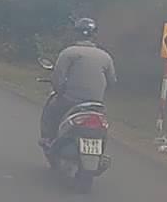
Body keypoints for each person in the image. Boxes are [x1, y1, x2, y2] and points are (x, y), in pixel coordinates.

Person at [41, 17, 117, 145]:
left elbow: (58, 78)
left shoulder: (68, 53)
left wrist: (60, 91)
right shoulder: (105, 56)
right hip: (96, 104)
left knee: (52, 109)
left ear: (76, 33)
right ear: (94, 35)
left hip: (71, 100)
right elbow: (112, 82)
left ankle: (49, 138)